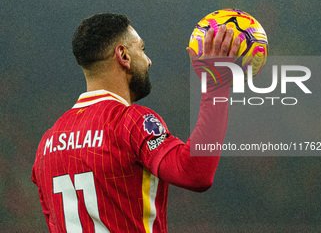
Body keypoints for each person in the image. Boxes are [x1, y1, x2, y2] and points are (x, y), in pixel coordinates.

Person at [31, 13, 240, 233]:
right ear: (123, 55)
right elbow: (196, 173)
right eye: (142, 49)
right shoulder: (129, 122)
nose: (148, 61)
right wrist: (216, 85)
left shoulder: (46, 145)